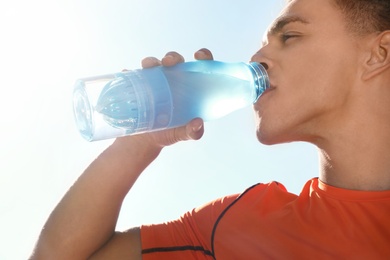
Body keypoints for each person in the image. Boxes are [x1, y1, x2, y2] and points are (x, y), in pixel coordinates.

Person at [31, 0, 390, 258]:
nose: (257, 56)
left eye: (290, 36)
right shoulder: (242, 222)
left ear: (379, 53)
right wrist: (139, 143)